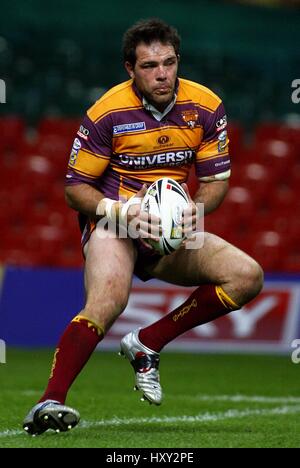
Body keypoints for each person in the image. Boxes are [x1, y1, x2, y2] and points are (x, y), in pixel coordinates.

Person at [23, 18, 263, 435]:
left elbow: (215, 183)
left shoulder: (206, 106)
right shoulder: (106, 113)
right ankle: (49, 402)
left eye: (169, 63)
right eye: (150, 65)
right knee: (106, 302)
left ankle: (148, 343)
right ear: (130, 69)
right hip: (115, 225)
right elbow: (75, 190)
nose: (162, 73)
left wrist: (196, 212)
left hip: (169, 230)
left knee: (247, 277)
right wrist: (121, 213)